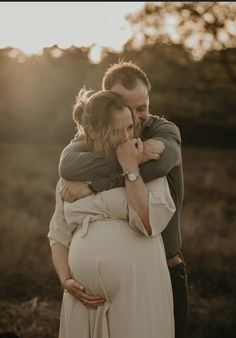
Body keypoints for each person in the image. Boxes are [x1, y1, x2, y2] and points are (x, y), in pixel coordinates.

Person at [50, 61, 188, 338]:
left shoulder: (163, 133)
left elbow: (158, 169)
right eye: (126, 109)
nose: (135, 120)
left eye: (142, 108)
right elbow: (66, 169)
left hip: (163, 266)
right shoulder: (84, 145)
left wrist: (94, 186)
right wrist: (66, 278)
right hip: (86, 301)